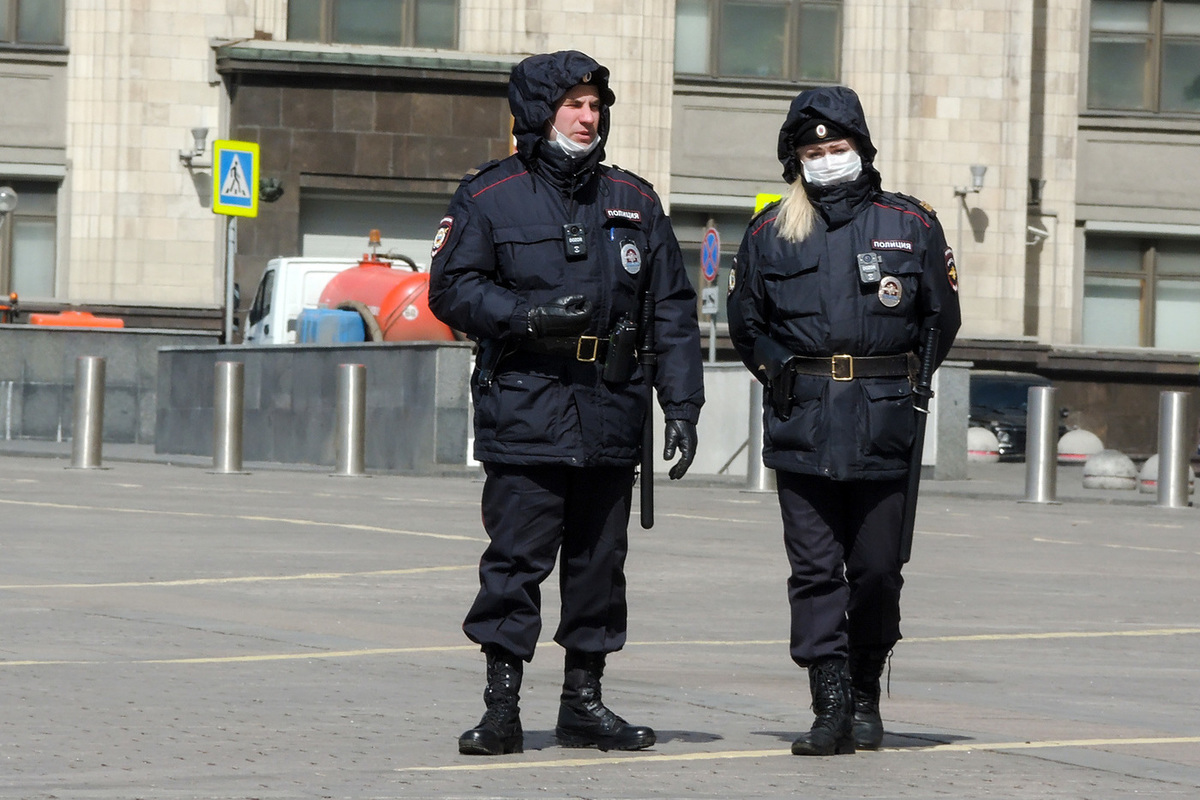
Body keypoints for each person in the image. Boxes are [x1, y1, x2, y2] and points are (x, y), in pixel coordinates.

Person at [427, 50, 704, 757]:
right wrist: (529, 317)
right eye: (575, 103)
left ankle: (584, 701)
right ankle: (502, 708)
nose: (589, 116)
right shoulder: (489, 196)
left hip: (612, 409)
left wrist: (682, 402)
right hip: (527, 406)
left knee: (598, 566)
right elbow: (451, 289)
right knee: (515, 563)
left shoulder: (634, 201)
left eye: (596, 104)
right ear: (539, 112)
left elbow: (670, 308)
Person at [726, 86, 961, 756]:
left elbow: (940, 318)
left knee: (879, 570)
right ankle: (829, 703)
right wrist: (777, 371)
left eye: (837, 147)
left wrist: (908, 382)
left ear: (860, 148)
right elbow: (747, 324)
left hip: (883, 423)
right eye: (814, 150)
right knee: (814, 571)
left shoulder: (909, 223)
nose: (827, 158)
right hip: (803, 420)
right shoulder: (771, 230)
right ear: (795, 159)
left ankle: (865, 686)